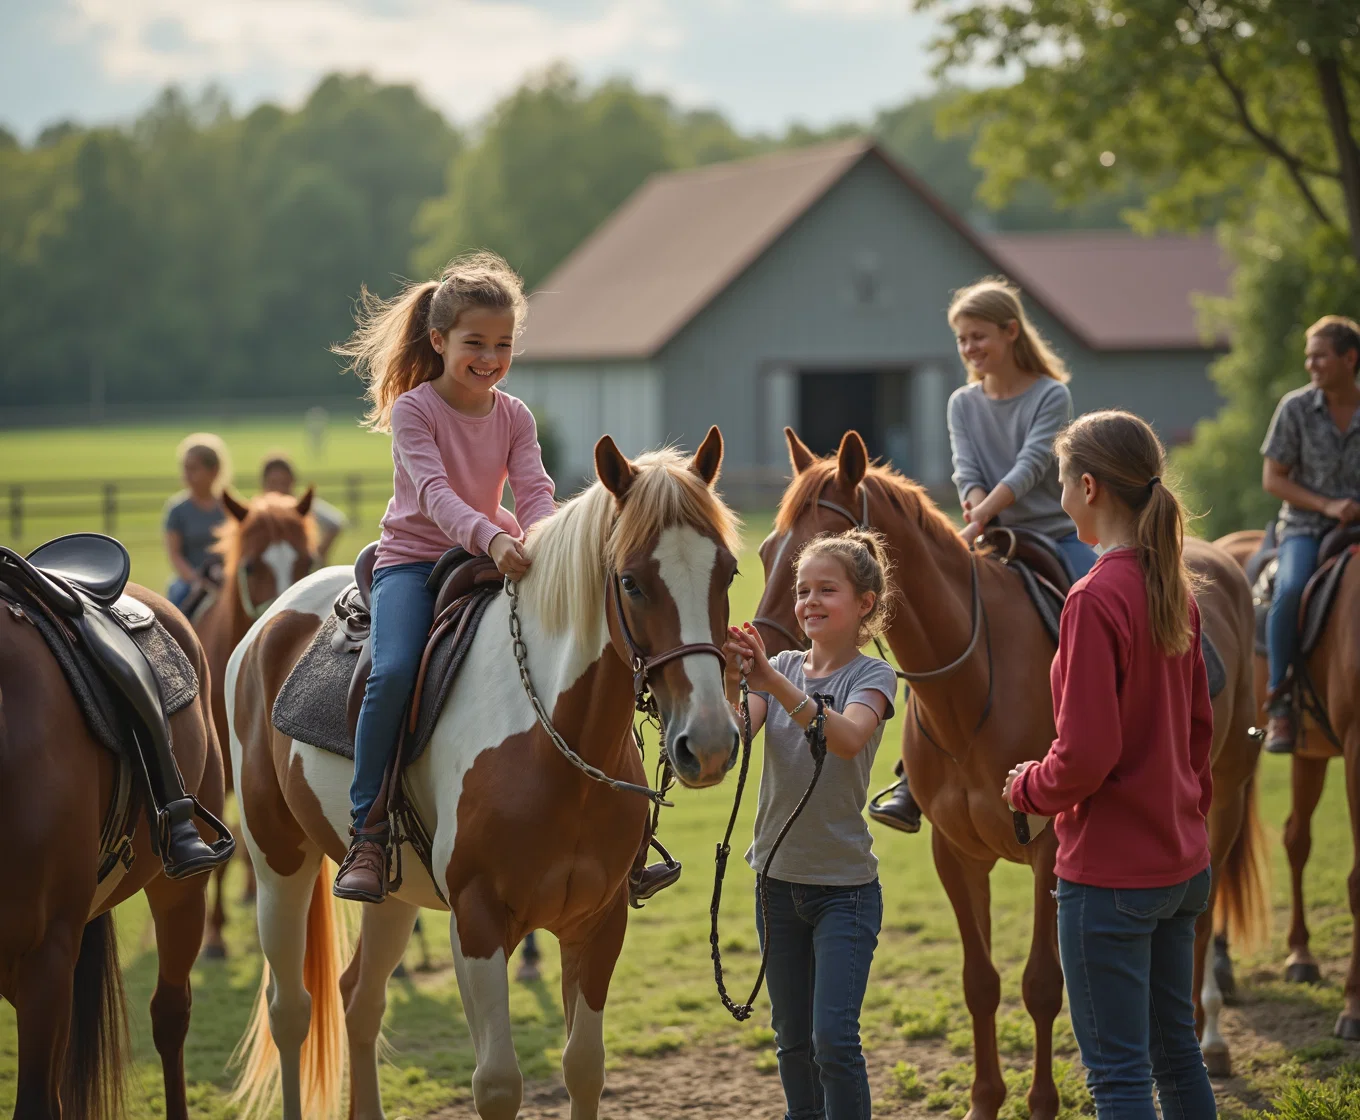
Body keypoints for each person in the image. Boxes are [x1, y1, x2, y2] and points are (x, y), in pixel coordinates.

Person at [1004, 409, 1215, 1120]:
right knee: (1178, 1056)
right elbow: (1198, 734)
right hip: (1182, 864)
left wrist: (1028, 787)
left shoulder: (1094, 597)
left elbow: (1087, 756)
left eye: (1063, 483)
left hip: (1111, 879)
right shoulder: (1171, 587)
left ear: (1088, 487)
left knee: (1120, 1079)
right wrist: (1185, 822)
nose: (1061, 498)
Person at [327, 250, 557, 903]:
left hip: (492, 552)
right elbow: (433, 494)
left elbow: (535, 489)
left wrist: (542, 540)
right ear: (439, 340)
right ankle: (367, 831)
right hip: (415, 560)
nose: (490, 357)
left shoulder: (515, 415)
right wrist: (495, 535)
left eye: (504, 344)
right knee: (393, 669)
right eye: (475, 343)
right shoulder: (415, 410)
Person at [871, 277, 1095, 834]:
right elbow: (965, 469)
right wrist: (975, 509)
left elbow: (1032, 466)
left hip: (1052, 535)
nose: (970, 349)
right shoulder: (962, 402)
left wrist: (980, 514)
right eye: (962, 340)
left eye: (979, 337)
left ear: (1011, 332)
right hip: (988, 537)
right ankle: (911, 773)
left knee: (1093, 613)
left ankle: (1099, 736)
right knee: (930, 630)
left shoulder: (1051, 395)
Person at [725, 529, 898, 1120]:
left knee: (834, 1043)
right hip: (774, 886)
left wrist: (772, 684)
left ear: (866, 603)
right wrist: (727, 679)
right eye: (803, 590)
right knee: (793, 1044)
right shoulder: (780, 665)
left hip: (845, 893)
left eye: (827, 589)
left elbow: (847, 740)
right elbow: (734, 739)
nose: (809, 601)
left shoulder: (871, 678)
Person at [1259, 315, 1360, 754]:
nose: (1312, 365)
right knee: (1290, 589)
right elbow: (1273, 479)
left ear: (1349, 358)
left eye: (1320, 356)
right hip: (1304, 528)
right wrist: (1327, 505)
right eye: (1309, 357)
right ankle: (1280, 705)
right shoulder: (1295, 408)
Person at [163, 433, 228, 610]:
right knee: (175, 605)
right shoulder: (177, 510)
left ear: (213, 471)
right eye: (185, 468)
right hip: (189, 582)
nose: (187, 475)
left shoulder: (229, 508)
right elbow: (175, 555)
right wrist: (195, 580)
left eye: (194, 469)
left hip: (225, 581)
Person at [260, 453, 349, 564]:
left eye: (284, 483)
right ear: (264, 484)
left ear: (292, 482)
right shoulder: (258, 512)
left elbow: (336, 522)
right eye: (274, 483)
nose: (279, 489)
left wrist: (317, 554)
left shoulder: (302, 507)